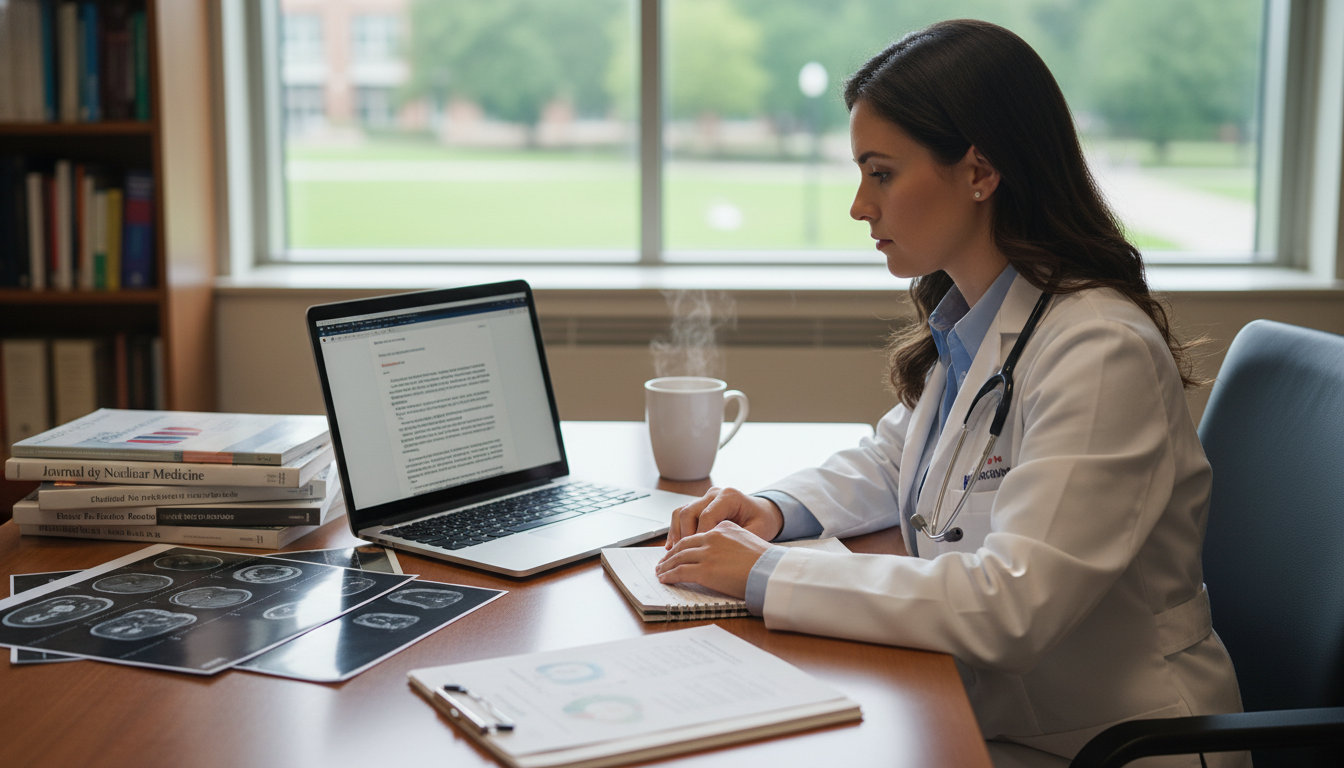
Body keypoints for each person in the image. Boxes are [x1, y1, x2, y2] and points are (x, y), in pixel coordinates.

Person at [654, 19, 1245, 768]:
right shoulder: (983, 318)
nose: (859, 206)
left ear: (979, 171)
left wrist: (767, 573)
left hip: (1107, 744)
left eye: (882, 173)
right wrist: (775, 511)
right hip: (1000, 715)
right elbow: (898, 458)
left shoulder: (1099, 351)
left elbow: (1011, 607)